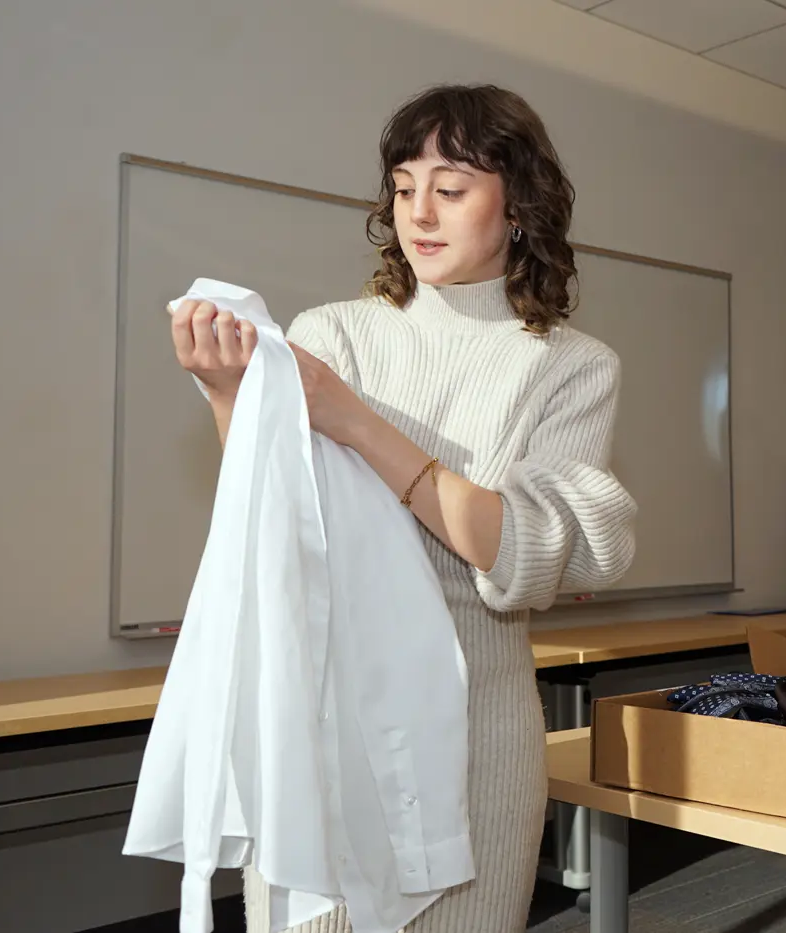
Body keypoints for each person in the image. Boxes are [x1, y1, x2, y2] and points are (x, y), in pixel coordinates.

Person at [169, 83, 638, 932]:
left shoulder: (571, 366)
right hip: (322, 729)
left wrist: (354, 419)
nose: (420, 210)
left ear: (520, 206)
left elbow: (526, 558)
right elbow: (268, 515)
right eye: (403, 183)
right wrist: (224, 393)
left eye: (451, 188)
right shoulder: (334, 334)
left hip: (475, 740)